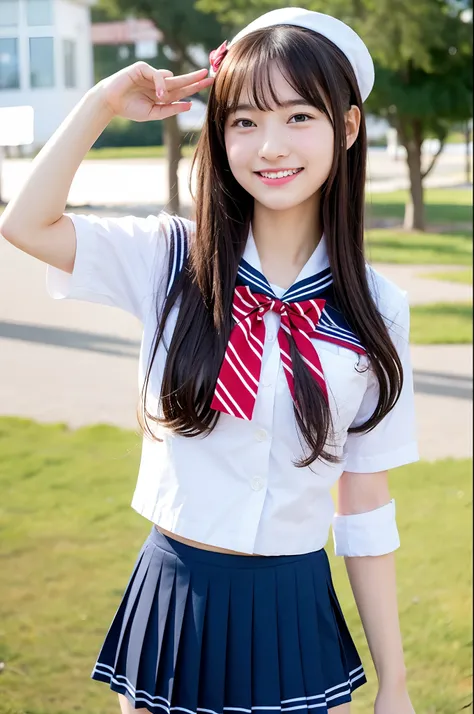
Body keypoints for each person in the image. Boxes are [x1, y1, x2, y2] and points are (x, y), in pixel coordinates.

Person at [0, 7, 420, 714]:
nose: (269, 146)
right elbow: (26, 223)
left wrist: (397, 685)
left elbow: (365, 503)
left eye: (297, 117)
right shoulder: (170, 259)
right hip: (175, 598)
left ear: (347, 129)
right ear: (219, 134)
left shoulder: (378, 308)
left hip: (294, 609)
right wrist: (103, 103)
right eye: (245, 121)